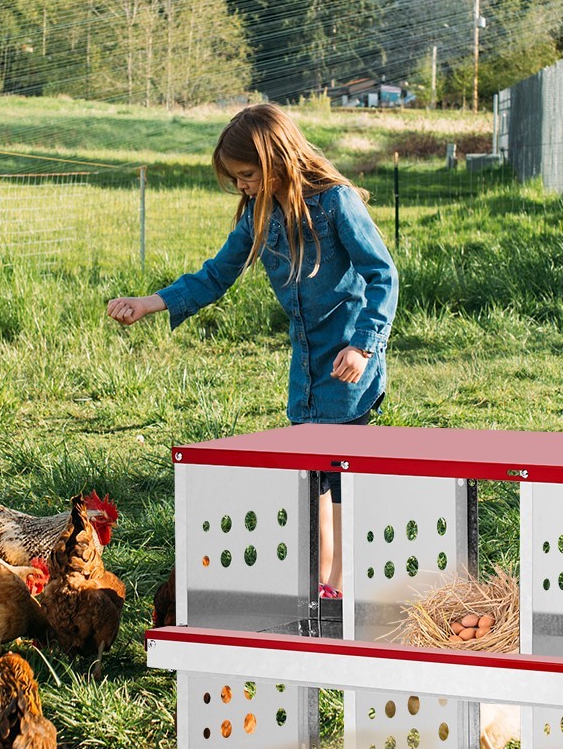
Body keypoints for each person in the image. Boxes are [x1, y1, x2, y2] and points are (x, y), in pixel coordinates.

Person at [107, 103, 398, 597]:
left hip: (348, 361)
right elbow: (216, 275)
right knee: (312, 473)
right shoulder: (258, 217)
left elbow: (382, 274)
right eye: (235, 178)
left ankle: (345, 582)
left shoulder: (335, 203)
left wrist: (364, 347)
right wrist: (150, 303)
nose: (241, 186)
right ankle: (323, 584)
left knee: (339, 474)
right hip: (306, 363)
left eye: (246, 174)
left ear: (276, 158)